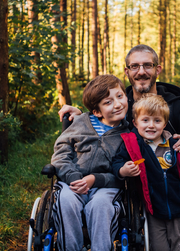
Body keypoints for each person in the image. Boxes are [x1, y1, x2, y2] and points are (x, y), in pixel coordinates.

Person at [59, 44, 180, 171]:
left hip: (163, 191)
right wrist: (81, 116)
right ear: (127, 71)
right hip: (120, 190)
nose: (141, 72)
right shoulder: (120, 107)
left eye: (148, 65)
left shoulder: (178, 109)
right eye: (134, 66)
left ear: (158, 70)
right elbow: (103, 122)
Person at [112, 94, 180, 251]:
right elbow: (117, 162)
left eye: (157, 120)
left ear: (164, 124)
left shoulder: (176, 146)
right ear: (135, 123)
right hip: (153, 210)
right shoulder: (133, 146)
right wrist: (124, 170)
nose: (151, 125)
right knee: (157, 246)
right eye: (145, 120)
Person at [51, 75, 129, 251]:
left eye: (120, 96)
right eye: (108, 102)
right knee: (65, 200)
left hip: (105, 187)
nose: (117, 104)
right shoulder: (80, 124)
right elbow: (60, 153)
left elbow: (120, 173)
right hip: (71, 182)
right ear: (97, 112)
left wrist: (95, 179)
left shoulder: (128, 135)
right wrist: (73, 177)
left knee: (101, 205)